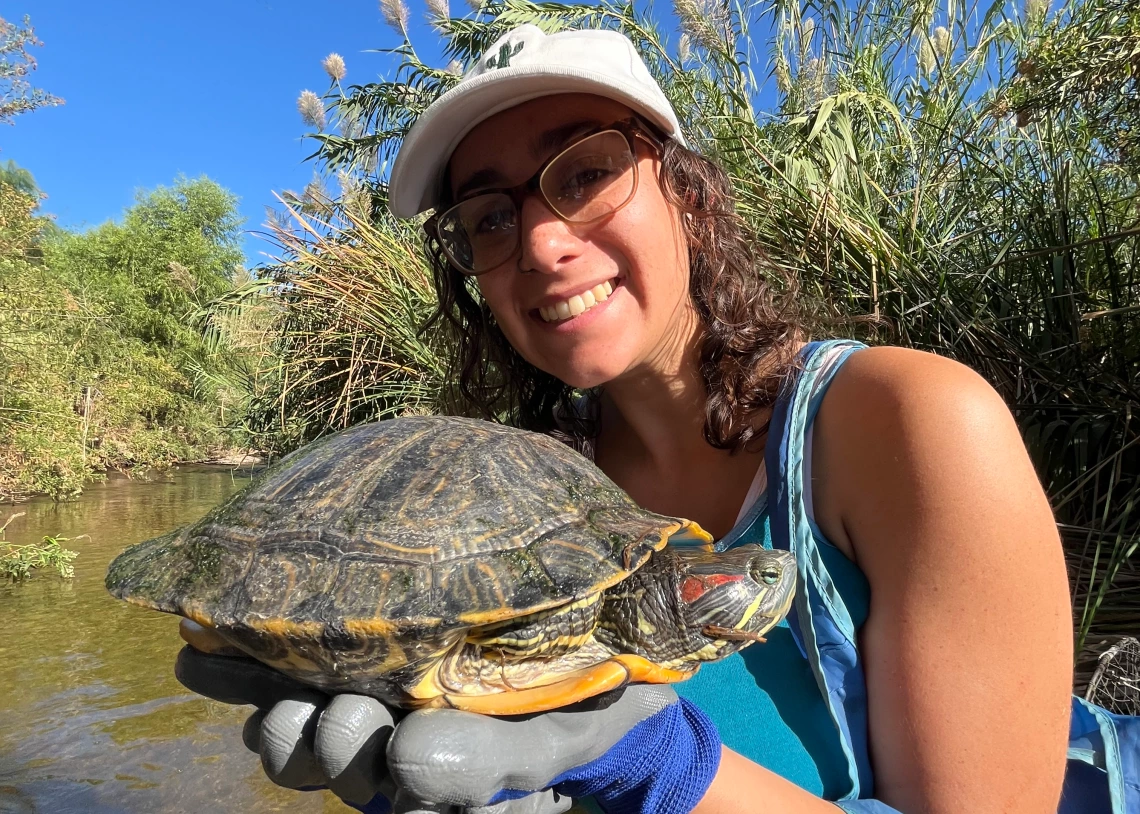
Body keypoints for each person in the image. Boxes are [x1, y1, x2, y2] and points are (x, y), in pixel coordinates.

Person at [178, 23, 1116, 814]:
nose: (542, 242)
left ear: (691, 198)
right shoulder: (510, 494)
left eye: (584, 173)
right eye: (489, 218)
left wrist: (659, 766)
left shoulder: (906, 422)